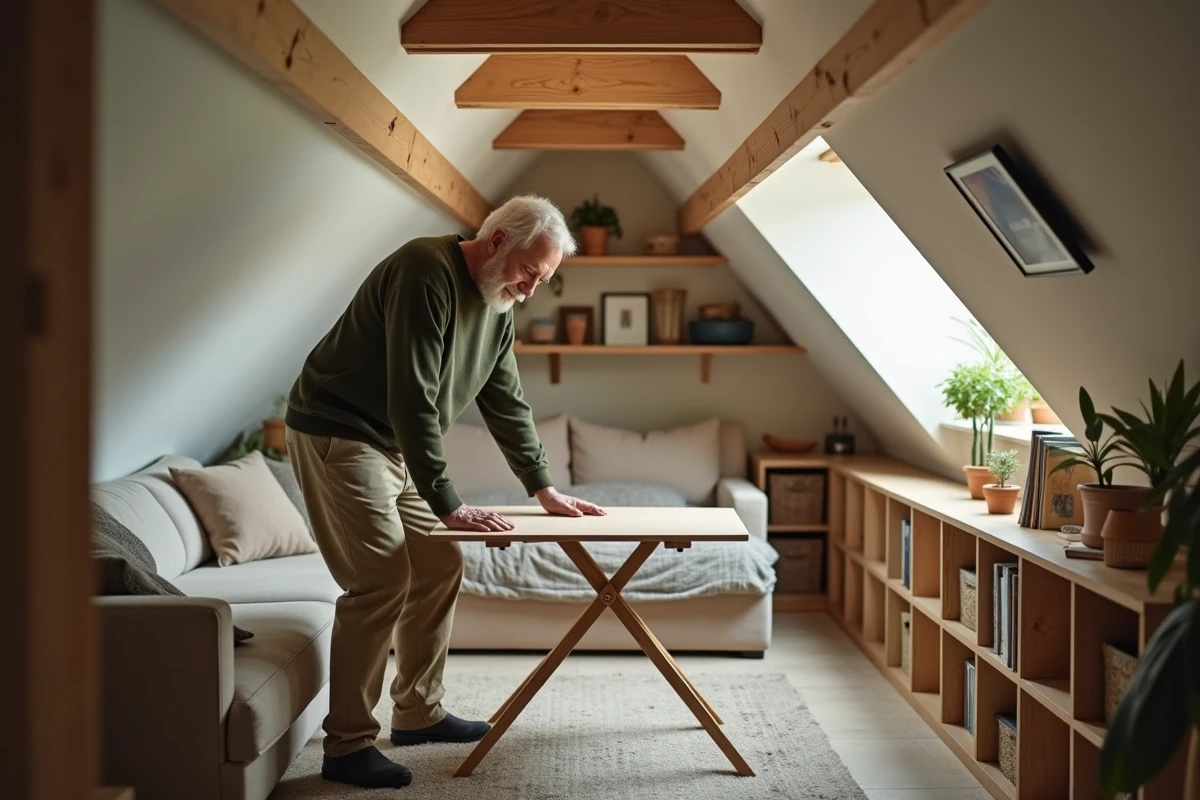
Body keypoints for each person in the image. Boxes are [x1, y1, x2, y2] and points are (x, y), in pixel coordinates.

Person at [284, 195, 606, 789]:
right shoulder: (423, 270)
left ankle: (417, 714)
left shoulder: (498, 302)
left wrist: (544, 489)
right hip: (341, 432)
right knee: (380, 579)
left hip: (392, 444)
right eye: (529, 273)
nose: (531, 290)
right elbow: (413, 395)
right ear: (498, 240)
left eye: (543, 280)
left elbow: (505, 401)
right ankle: (347, 745)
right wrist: (449, 501)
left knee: (439, 563)